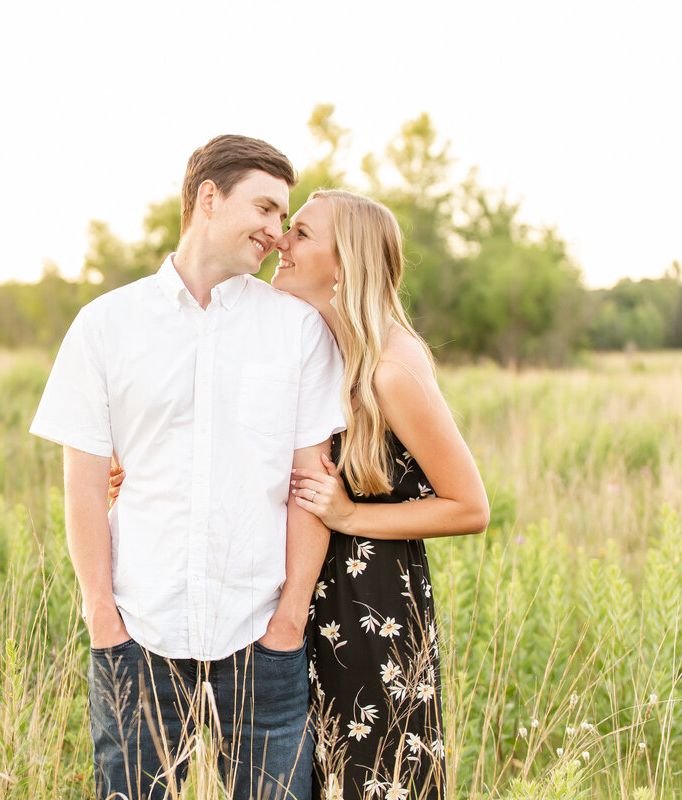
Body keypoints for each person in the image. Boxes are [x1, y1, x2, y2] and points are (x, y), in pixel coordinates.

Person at [112, 189, 489, 800]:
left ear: (346, 263)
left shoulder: (390, 368)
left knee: (371, 780)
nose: (280, 241)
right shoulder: (323, 346)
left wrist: (347, 514)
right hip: (303, 600)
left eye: (302, 233)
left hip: (370, 614)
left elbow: (471, 507)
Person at [30, 135, 346, 800]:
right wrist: (102, 621)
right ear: (208, 197)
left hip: (263, 643)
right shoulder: (105, 326)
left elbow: (310, 490)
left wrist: (288, 624)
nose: (274, 232)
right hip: (138, 636)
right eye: (263, 208)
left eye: (283, 216)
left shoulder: (296, 331)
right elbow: (84, 485)